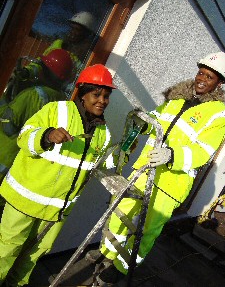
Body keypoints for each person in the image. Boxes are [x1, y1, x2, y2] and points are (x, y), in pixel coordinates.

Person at [86, 51, 225, 284]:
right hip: (144, 169)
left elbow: (202, 151)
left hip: (171, 183)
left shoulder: (218, 114)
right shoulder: (177, 98)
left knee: (145, 230)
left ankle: (120, 269)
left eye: (209, 77)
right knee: (120, 213)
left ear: (219, 82)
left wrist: (172, 155)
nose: (202, 79)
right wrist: (141, 121)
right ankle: (108, 253)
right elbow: (155, 121)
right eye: (201, 73)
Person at [0, 63, 116, 286]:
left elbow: (102, 166)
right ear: (82, 94)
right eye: (96, 94)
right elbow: (24, 137)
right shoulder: (57, 110)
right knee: (6, 249)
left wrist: (123, 155)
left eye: (106, 96)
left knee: (35, 255)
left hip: (56, 211)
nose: (102, 100)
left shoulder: (103, 133)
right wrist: (46, 136)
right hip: (24, 200)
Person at [0, 49, 73, 190]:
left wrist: (6, 100)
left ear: (46, 71)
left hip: (4, 154)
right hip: (19, 166)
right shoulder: (61, 101)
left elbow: (7, 125)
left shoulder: (32, 95)